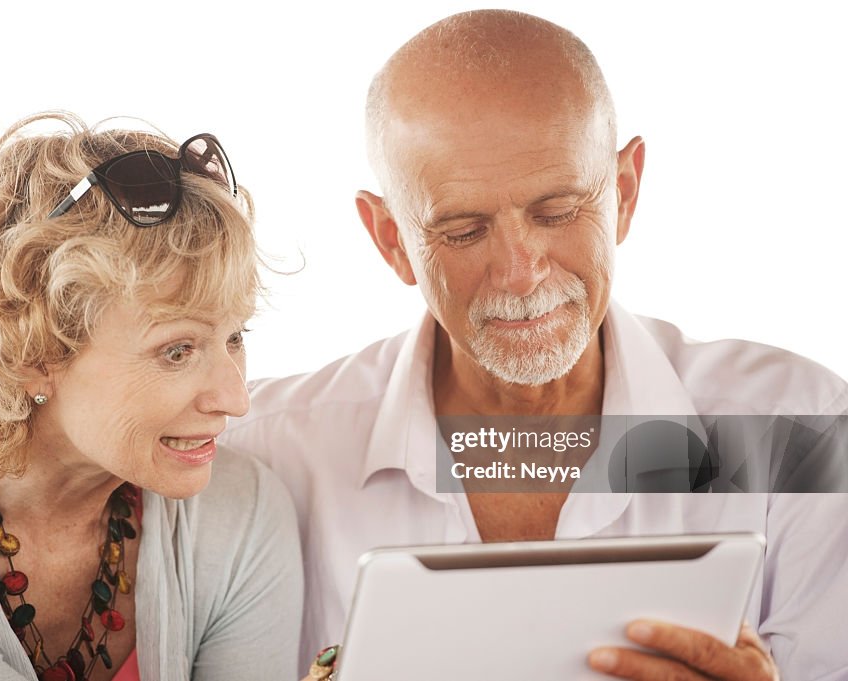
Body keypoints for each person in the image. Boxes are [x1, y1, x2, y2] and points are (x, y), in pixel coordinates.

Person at [220, 9, 847, 680]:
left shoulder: (802, 431)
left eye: (557, 212)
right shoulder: (266, 453)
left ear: (625, 195)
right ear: (391, 240)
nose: (521, 273)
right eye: (463, 230)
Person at [0, 112, 302, 680]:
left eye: (234, 337)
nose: (235, 398)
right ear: (32, 356)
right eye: (177, 350)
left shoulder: (240, 509)